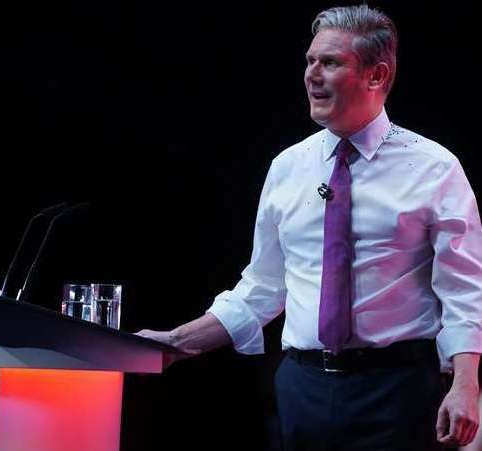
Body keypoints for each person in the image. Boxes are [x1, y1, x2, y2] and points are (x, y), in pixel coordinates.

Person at [136, 5, 481, 450]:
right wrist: (178, 341)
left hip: (398, 392)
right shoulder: (288, 167)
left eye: (330, 63)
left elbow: (463, 289)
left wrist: (466, 384)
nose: (312, 74)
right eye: (309, 61)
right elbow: (263, 286)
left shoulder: (433, 167)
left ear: (376, 76)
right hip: (303, 390)